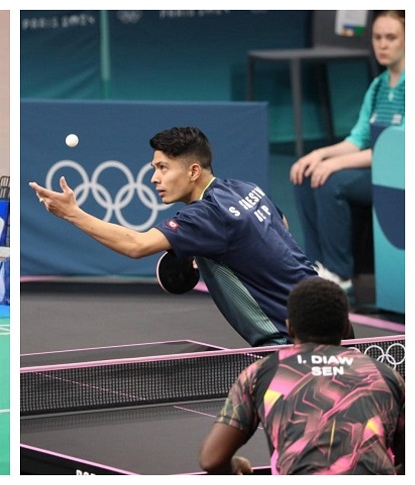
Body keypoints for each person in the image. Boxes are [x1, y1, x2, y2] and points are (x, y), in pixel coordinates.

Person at [30, 126, 320, 347]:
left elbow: (135, 245)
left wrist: (72, 214)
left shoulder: (205, 216)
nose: (154, 178)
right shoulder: (244, 188)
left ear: (193, 171)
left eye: (162, 168)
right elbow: (280, 223)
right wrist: (223, 251)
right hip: (329, 316)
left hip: (292, 343)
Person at [199, 277, 405, 474]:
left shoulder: (260, 374)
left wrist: (233, 466)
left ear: (290, 327)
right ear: (346, 328)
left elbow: (211, 460)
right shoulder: (385, 376)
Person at [290, 11, 405, 293]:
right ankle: (316, 266)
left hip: (401, 176)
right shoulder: (378, 86)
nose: (382, 44)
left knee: (331, 182)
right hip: (378, 171)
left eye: (391, 37)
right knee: (306, 175)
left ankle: (339, 273)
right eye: (377, 37)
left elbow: (398, 150)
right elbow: (358, 138)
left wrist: (336, 164)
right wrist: (318, 155)